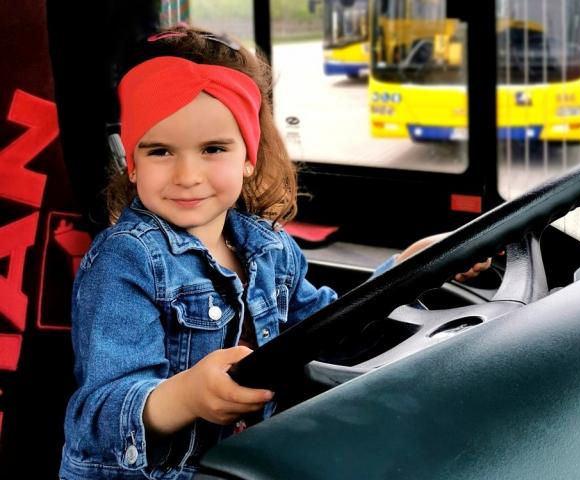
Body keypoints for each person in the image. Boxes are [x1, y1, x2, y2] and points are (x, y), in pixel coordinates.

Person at [59, 25, 490, 479]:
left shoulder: (268, 247)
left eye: (212, 149)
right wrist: (187, 395)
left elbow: (327, 330)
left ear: (248, 158)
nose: (187, 175)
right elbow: (98, 416)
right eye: (161, 151)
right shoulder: (125, 260)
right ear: (133, 163)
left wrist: (407, 269)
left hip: (245, 461)